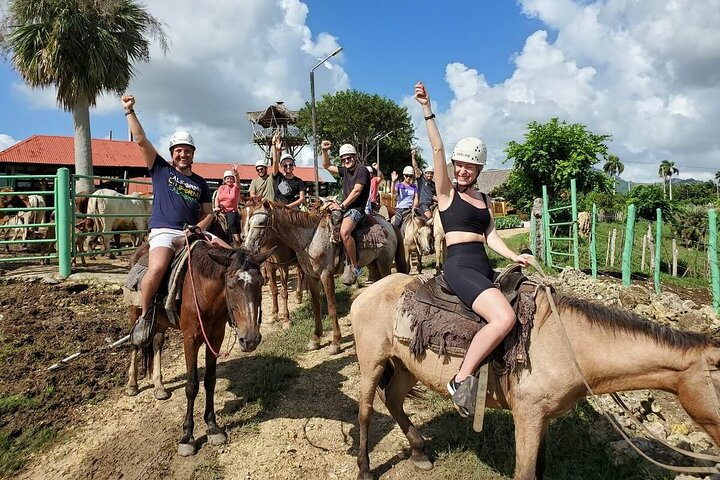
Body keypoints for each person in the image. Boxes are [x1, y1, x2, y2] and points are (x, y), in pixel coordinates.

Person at [414, 81, 532, 417]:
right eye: (458, 164)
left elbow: (491, 235)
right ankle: (460, 380)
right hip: (460, 266)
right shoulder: (446, 193)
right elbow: (436, 150)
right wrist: (427, 109)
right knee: (504, 317)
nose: (462, 169)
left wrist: (513, 256)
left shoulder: (484, 199)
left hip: (484, 265)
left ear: (479, 169)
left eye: (469, 165)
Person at [122, 94, 230, 348]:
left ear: (193, 154)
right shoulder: (161, 169)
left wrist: (198, 229)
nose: (183, 154)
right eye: (178, 150)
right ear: (172, 153)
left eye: (187, 150)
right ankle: (146, 317)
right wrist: (129, 111)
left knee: (233, 257)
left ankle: (233, 313)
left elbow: (208, 214)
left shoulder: (201, 183)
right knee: (157, 268)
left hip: (192, 232)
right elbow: (140, 139)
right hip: (164, 231)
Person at [321, 140, 371, 285]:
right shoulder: (345, 170)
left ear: (355, 157)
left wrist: (341, 205)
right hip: (345, 207)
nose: (346, 161)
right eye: (343, 159)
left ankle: (355, 267)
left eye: (349, 158)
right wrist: (324, 151)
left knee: (344, 232)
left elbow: (356, 191)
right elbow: (326, 165)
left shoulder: (362, 170)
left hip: (356, 209)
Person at [271, 131, 305, 209]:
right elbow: (275, 161)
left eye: (290, 164)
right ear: (282, 166)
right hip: (277, 209)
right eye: (285, 165)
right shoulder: (278, 177)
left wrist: (288, 206)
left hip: (291, 210)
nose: (288, 167)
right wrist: (274, 146)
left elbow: (302, 198)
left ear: (293, 165)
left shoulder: (298, 181)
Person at [214, 165, 242, 245]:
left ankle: (237, 241)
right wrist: (216, 207)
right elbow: (217, 198)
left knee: (231, 222)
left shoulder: (235, 187)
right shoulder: (221, 187)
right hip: (220, 210)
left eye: (231, 178)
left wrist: (236, 173)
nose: (229, 180)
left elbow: (238, 182)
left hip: (231, 210)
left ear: (233, 179)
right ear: (225, 180)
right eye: (227, 178)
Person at [412, 149, 437, 221]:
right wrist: (413, 157)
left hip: (432, 205)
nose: (430, 175)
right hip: (423, 204)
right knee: (429, 216)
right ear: (425, 174)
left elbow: (434, 196)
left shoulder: (433, 184)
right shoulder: (421, 180)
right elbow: (416, 167)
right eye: (428, 173)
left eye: (431, 173)